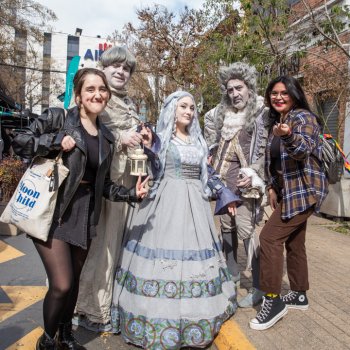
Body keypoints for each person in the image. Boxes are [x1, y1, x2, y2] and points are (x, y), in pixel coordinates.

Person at [11, 67, 148, 350]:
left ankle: (66, 335)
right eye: (90, 89)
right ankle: (47, 340)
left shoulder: (107, 137)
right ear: (78, 94)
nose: (97, 94)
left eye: (102, 89)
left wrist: (132, 194)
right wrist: (53, 141)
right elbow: (20, 140)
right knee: (61, 284)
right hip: (55, 210)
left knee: (73, 284)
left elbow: (105, 185)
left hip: (86, 214)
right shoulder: (58, 118)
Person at [110, 91, 239, 349]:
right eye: (183, 106)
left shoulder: (200, 142)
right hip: (165, 202)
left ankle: (195, 317)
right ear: (172, 109)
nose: (189, 111)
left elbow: (208, 173)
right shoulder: (161, 140)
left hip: (196, 207)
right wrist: (147, 147)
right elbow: (151, 166)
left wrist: (226, 194)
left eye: (192, 107)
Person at [74, 46, 145, 332]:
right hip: (103, 183)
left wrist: (142, 136)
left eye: (126, 68)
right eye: (114, 65)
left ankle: (104, 305)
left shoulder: (128, 103)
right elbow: (82, 129)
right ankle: (88, 308)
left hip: (125, 184)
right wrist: (119, 135)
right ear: (103, 69)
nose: (120, 71)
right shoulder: (97, 99)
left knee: (114, 246)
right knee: (99, 248)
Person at [249, 76, 328, 331]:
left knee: (269, 239)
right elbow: (274, 161)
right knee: (295, 241)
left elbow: (302, 150)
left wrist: (289, 136)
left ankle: (273, 301)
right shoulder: (278, 120)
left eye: (284, 93)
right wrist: (272, 186)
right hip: (287, 192)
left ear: (294, 95)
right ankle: (299, 293)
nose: (278, 97)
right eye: (274, 93)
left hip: (304, 191)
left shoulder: (302, 118)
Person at [204, 62, 269, 308]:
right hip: (224, 185)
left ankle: (259, 286)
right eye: (230, 90)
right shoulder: (220, 115)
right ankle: (231, 278)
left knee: (247, 234)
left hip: (247, 186)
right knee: (227, 230)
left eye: (238, 88)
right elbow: (213, 143)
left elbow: (265, 152)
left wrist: (254, 172)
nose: (234, 94)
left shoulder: (261, 114)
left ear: (249, 88)